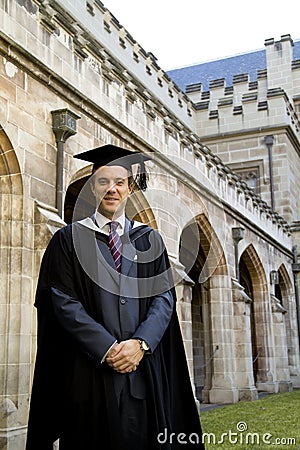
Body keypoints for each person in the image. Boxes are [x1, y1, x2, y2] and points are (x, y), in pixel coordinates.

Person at [26, 144, 204, 450]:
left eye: (119, 182)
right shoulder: (68, 240)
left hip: (143, 374)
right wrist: (107, 348)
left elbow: (164, 298)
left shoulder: (150, 240)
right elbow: (61, 300)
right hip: (88, 377)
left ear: (131, 187)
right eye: (103, 182)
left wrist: (141, 343)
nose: (112, 189)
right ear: (92, 187)